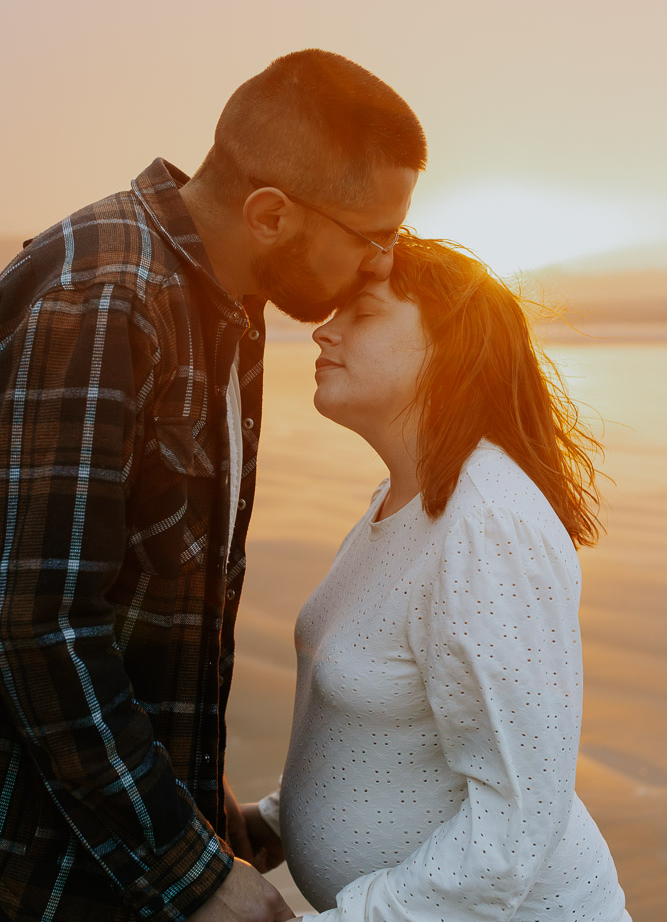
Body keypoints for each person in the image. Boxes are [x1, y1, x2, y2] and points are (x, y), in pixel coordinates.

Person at [0, 49, 426, 921]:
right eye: (373, 236)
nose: (383, 265)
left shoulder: (231, 307)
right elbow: (36, 623)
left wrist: (203, 798)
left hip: (123, 835)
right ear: (269, 213)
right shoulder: (106, 296)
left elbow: (151, 601)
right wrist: (190, 873)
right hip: (46, 865)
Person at [255, 232, 631, 920]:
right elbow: (378, 722)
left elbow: (513, 828)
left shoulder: (484, 523)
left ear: (447, 350)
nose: (322, 334)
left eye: (361, 315)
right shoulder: (399, 499)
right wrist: (272, 823)